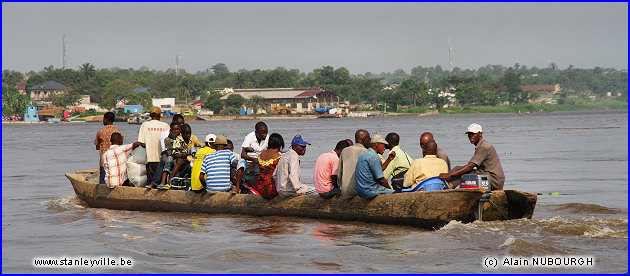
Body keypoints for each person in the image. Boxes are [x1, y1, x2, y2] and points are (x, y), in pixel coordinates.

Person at [439, 123, 505, 190]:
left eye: (473, 134)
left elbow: (470, 166)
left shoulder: (483, 147)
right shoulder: (481, 145)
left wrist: (449, 174)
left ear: (480, 134)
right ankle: (448, 188)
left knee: (460, 170)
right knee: (458, 169)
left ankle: (448, 189)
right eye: (469, 134)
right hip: (490, 177)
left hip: (494, 180)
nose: (471, 136)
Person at [355, 135, 395, 199]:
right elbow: (381, 180)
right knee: (395, 192)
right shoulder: (374, 157)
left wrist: (389, 160)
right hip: (370, 191)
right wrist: (390, 190)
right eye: (383, 145)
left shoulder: (364, 154)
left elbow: (378, 170)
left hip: (361, 191)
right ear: (377, 145)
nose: (385, 148)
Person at [138, 106, 170, 183]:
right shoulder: (165, 125)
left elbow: (142, 144)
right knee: (162, 180)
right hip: (162, 158)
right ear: (159, 116)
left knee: (151, 181)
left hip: (150, 158)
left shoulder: (145, 125)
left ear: (150, 115)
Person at [235, 121, 269, 192]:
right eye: (263, 133)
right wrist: (254, 159)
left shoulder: (267, 138)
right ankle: (237, 188)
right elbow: (243, 154)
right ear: (257, 133)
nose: (265, 135)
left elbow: (269, 151)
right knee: (241, 164)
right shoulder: (249, 137)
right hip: (247, 160)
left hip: (259, 159)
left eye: (266, 133)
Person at [337, 129, 371, 199]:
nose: (370, 141)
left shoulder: (344, 151)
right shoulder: (366, 152)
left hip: (345, 192)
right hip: (360, 192)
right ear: (364, 140)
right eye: (369, 139)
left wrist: (340, 189)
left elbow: (339, 174)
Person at [148, 122, 181, 189]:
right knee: (165, 158)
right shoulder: (168, 139)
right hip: (172, 155)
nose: (176, 131)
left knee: (166, 158)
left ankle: (159, 182)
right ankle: (157, 182)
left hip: (179, 157)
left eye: (178, 129)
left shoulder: (182, 138)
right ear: (171, 131)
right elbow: (170, 150)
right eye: (174, 129)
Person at [252, 133, 284, 198]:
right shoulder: (279, 157)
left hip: (260, 189)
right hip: (272, 190)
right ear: (280, 145)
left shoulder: (261, 155)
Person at [94, 111, 122, 184]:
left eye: (103, 119)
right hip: (115, 162)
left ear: (106, 120)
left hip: (104, 162)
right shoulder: (118, 132)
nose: (102, 120)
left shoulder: (100, 132)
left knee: (103, 182)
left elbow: (97, 147)